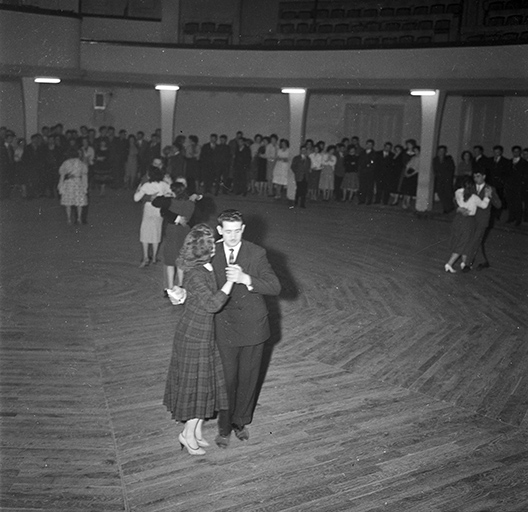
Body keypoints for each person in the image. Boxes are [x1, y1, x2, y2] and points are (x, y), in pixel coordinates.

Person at [163, 224, 235, 456]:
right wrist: (230, 283)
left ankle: (193, 433)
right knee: (197, 389)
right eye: (211, 245)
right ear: (205, 251)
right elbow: (213, 304)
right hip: (195, 335)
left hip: (202, 333)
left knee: (203, 387)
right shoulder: (196, 273)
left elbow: (194, 295)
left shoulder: (201, 267)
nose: (215, 248)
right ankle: (186, 434)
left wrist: (183, 295)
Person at [212, 209, 281, 448]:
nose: (233, 237)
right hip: (224, 325)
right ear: (220, 231)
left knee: (248, 377)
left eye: (237, 231)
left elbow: (274, 286)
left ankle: (240, 422)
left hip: (253, 325)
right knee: (226, 380)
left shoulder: (256, 252)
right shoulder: (211, 252)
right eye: (227, 231)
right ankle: (223, 428)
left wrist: (246, 279)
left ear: (243, 230)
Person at [444, 176, 491, 273]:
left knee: (464, 242)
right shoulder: (474, 197)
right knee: (464, 243)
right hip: (468, 221)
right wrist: (487, 195)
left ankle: (464, 263)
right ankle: (449, 264)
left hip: (458, 220)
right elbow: (484, 205)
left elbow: (460, 203)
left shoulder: (458, 193)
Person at [462, 170, 502, 272]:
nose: (476, 179)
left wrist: (490, 195)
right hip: (471, 218)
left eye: (478, 176)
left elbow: (499, 205)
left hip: (483, 220)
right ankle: (483, 261)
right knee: (476, 240)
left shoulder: (490, 188)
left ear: (484, 176)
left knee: (474, 240)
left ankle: (468, 264)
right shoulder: (471, 187)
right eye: (474, 176)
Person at [133, 165, 172, 268]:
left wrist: (138, 190)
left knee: (145, 232)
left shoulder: (146, 185)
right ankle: (154, 257)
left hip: (148, 209)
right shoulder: (164, 184)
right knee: (156, 232)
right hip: (159, 209)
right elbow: (172, 193)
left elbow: (136, 198)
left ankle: (146, 257)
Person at [57, 147, 89, 225]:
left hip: (69, 183)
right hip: (78, 182)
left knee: (68, 202)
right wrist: (85, 186)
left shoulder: (65, 163)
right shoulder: (80, 163)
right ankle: (79, 218)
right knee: (79, 202)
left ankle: (68, 219)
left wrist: (60, 185)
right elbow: (85, 173)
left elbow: (62, 173)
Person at [433, 145, 456, 214]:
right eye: (440, 151)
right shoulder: (435, 159)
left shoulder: (449, 159)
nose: (441, 152)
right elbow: (435, 169)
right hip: (439, 179)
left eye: (443, 151)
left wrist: (448, 177)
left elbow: (452, 169)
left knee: (448, 193)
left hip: (447, 179)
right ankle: (448, 206)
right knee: (440, 193)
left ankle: (448, 208)